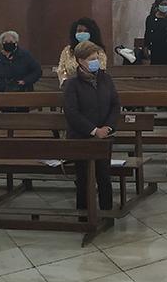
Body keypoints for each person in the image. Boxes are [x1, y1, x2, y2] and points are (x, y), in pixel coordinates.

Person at [62, 41, 119, 216]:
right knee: (84, 178)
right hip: (82, 137)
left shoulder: (106, 79)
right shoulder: (72, 84)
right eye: (91, 59)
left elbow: (115, 105)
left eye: (97, 58)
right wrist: (94, 130)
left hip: (105, 136)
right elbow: (72, 112)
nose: (96, 62)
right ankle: (84, 214)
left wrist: (108, 127)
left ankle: (107, 212)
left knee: (104, 175)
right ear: (80, 61)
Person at [0, 31, 41, 107]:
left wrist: (25, 81)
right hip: (3, 96)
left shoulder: (25, 55)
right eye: (5, 42)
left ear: (16, 43)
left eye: (11, 42)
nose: (8, 44)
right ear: (2, 44)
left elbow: (37, 71)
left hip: (22, 94)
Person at [57, 18, 107, 87]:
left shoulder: (98, 50)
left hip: (93, 86)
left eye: (86, 31)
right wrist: (66, 82)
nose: (82, 33)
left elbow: (102, 68)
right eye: (79, 31)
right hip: (72, 87)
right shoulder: (68, 50)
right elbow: (61, 69)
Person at [144, 0, 167, 65]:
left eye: (166, 4)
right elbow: (147, 33)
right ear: (158, 5)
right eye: (162, 4)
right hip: (156, 49)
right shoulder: (150, 18)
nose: (164, 6)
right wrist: (146, 47)